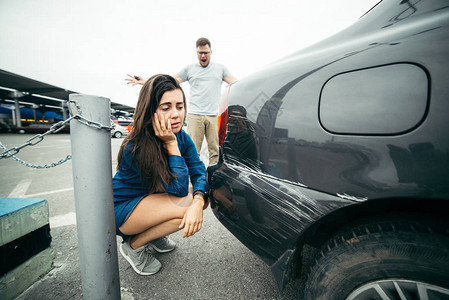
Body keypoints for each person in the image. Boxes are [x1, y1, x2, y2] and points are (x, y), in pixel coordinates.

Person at [113, 74, 209, 276]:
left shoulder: (182, 136)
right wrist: (171, 144)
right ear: (151, 111)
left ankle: (152, 235)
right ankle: (134, 245)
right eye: (166, 108)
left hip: (149, 200)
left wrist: (199, 200)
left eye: (180, 106)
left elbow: (199, 170)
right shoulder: (137, 145)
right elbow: (179, 189)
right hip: (122, 208)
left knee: (200, 199)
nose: (176, 114)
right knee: (185, 205)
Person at [126, 37, 237, 165]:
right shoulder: (189, 69)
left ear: (211, 52)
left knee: (215, 151)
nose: (203, 56)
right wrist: (146, 82)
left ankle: (212, 179)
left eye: (206, 52)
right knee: (193, 150)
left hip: (213, 115)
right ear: (196, 53)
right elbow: (168, 81)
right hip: (195, 114)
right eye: (200, 53)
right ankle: (190, 181)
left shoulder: (220, 69)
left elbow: (236, 83)